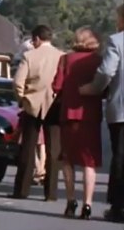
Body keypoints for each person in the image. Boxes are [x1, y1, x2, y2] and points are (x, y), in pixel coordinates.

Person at [52, 27, 104, 219]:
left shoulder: (65, 59)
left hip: (69, 113)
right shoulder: (99, 61)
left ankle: (70, 200)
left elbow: (57, 86)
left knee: (68, 160)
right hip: (91, 115)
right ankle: (88, 204)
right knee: (88, 162)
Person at [80, 3, 124, 223]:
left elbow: (107, 71)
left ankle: (119, 207)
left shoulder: (117, 41)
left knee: (121, 157)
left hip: (122, 110)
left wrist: (94, 89)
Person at [11, 25, 65, 200]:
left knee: (27, 147)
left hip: (32, 105)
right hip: (54, 104)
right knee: (53, 149)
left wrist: (22, 99)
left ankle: (21, 190)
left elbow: (18, 81)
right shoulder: (62, 56)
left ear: (36, 39)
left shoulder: (29, 56)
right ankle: (51, 192)